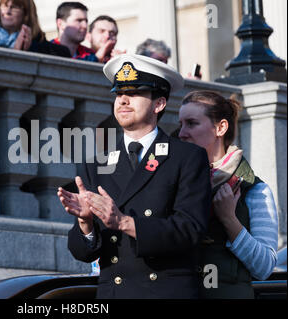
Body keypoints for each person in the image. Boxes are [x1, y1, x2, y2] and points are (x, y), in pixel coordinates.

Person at [57, 54, 212, 298]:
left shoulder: (187, 157)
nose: (123, 101)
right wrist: (85, 223)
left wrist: (123, 223)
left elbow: (190, 229)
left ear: (159, 104)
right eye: (119, 94)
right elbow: (82, 252)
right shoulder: (96, 164)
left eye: (134, 92)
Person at [178, 90, 278, 299]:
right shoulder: (172, 181)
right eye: (181, 124)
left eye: (192, 123)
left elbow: (264, 267)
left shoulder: (255, 189)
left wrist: (230, 220)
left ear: (221, 127)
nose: (182, 133)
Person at [0, 0, 70, 57]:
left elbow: (64, 54)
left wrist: (30, 48)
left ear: (26, 14)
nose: (7, 11)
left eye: (14, 7)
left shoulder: (37, 41)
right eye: (5, 6)